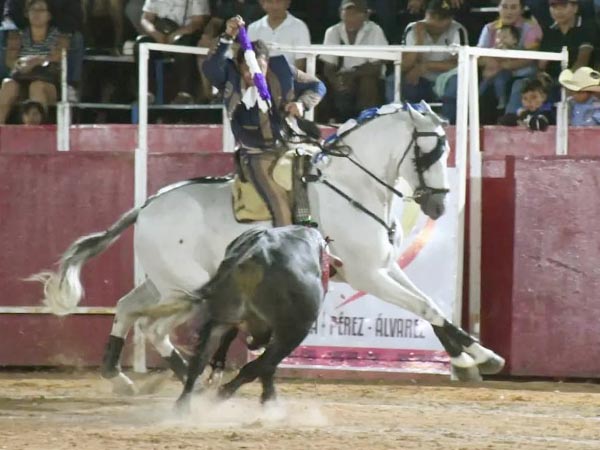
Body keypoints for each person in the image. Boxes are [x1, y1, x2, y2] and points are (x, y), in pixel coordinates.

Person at [202, 16, 326, 226]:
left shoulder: (283, 71)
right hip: (256, 154)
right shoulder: (228, 77)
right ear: (239, 67)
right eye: (247, 69)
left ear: (267, 64)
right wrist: (227, 37)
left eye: (259, 68)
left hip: (290, 145)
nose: (252, 74)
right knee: (279, 203)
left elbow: (317, 86)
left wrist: (302, 104)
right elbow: (210, 68)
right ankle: (285, 243)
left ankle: (313, 232)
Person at [385, 0, 467, 123]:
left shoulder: (457, 29)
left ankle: (449, 124)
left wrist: (425, 66)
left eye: (443, 18)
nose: (437, 22)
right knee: (394, 80)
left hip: (445, 81)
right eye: (433, 16)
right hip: (421, 82)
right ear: (425, 14)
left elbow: (459, 63)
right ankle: (399, 122)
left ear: (450, 19)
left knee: (457, 81)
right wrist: (419, 41)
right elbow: (404, 65)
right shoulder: (413, 28)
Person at [0, 0, 69, 124]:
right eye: (33, 10)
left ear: (49, 15)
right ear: (27, 14)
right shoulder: (18, 36)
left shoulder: (59, 36)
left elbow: (59, 57)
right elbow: (10, 60)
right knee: (8, 84)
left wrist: (36, 61)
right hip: (22, 78)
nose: (37, 14)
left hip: (48, 82)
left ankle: (37, 131)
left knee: (36, 86)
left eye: (41, 10)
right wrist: (21, 63)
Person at [320, 0, 388, 122]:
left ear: (366, 15)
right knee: (319, 83)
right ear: (340, 14)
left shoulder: (375, 30)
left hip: (366, 76)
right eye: (347, 13)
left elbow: (376, 66)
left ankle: (367, 122)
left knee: (367, 82)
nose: (351, 18)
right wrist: (336, 82)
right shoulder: (333, 31)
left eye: (356, 14)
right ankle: (325, 126)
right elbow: (328, 66)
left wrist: (352, 74)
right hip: (342, 76)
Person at [477, 0, 543, 122]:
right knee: (484, 88)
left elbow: (529, 58)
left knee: (519, 86)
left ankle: (509, 119)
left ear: (521, 10)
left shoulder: (531, 28)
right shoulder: (489, 28)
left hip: (524, 75)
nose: (508, 11)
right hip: (495, 75)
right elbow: (479, 57)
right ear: (498, 8)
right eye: (505, 7)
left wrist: (502, 64)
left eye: (513, 7)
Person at [137, 0, 210, 103]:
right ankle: (148, 92)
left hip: (185, 34)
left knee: (185, 45)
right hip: (159, 33)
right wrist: (155, 33)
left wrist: (176, 34)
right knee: (141, 43)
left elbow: (198, 22)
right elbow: (146, 18)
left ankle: (185, 93)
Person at [247, 0, 310, 70]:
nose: (275, 6)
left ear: (288, 3)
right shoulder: (253, 28)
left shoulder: (300, 27)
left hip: (289, 78)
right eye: (270, 2)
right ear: (262, 3)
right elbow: (249, 59)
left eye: (279, 1)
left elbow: (301, 63)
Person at [479, 24, 521, 112]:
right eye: (498, 37)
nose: (501, 40)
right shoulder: (494, 48)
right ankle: (476, 99)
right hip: (492, 73)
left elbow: (511, 62)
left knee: (499, 81)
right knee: (484, 83)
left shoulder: (515, 50)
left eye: (505, 37)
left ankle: (501, 99)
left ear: (515, 40)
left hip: (504, 72)